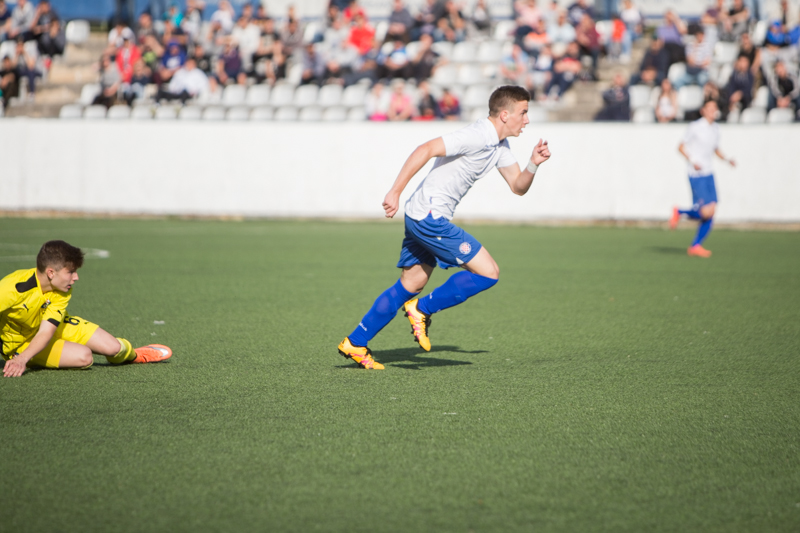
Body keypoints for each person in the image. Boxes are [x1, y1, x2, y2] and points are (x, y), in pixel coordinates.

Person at [337, 85, 552, 369]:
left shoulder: (500, 146)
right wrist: (394, 192)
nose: (526, 120)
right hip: (429, 218)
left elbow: (517, 187)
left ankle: (355, 342)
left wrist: (533, 164)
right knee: (489, 272)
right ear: (504, 115)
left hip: (419, 216)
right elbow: (425, 149)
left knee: (412, 282)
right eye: (523, 113)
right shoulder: (476, 135)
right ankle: (421, 309)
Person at [2, 241, 171, 378]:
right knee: (84, 356)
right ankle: (32, 356)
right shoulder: (11, 288)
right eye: (71, 272)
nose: (76, 278)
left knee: (114, 348)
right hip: (21, 344)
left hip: (54, 327)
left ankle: (135, 355)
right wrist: (21, 358)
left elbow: (46, 331)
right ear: (51, 273)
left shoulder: (62, 289)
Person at [669, 99, 736, 258]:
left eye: (715, 107)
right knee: (705, 212)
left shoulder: (715, 129)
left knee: (712, 212)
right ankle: (679, 211)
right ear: (703, 110)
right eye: (710, 107)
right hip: (696, 173)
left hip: (709, 173)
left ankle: (695, 246)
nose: (713, 110)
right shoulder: (695, 127)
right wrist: (693, 161)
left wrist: (727, 159)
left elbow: (715, 149)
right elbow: (680, 147)